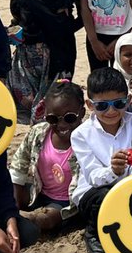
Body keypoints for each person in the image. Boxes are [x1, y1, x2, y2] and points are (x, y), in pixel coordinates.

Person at [70, 66, 132, 253]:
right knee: (104, 195)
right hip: (93, 193)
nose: (111, 111)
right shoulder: (80, 134)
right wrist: (114, 170)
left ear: (128, 100)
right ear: (90, 105)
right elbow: (93, 178)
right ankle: (93, 232)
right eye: (102, 106)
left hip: (129, 187)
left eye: (118, 103)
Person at [8, 0, 80, 122]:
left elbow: (71, 25)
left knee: (54, 106)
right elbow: (19, 26)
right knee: (32, 105)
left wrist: (63, 24)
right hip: (28, 62)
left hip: (59, 58)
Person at [8, 78, 85, 235]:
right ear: (46, 115)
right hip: (38, 192)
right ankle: (13, 215)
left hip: (67, 203)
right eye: (53, 119)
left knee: (47, 219)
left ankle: (19, 219)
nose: (62, 125)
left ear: (82, 113)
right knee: (2, 188)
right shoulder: (39, 133)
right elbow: (18, 166)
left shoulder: (88, 140)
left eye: (70, 118)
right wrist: (15, 201)